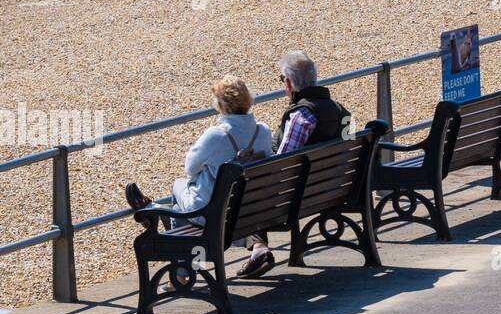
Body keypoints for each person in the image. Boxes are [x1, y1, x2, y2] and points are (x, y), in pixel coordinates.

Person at [240, 51, 352, 278]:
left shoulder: (301, 115)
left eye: (283, 80)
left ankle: (259, 248)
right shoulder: (341, 110)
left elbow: (282, 165)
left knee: (248, 188)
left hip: (297, 198)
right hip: (335, 187)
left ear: (289, 83)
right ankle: (258, 249)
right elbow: (349, 149)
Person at [124, 76, 272, 225]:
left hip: (214, 216)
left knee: (178, 185)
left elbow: (190, 168)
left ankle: (157, 215)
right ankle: (156, 211)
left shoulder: (217, 135)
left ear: (221, 105)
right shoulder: (264, 131)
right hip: (248, 211)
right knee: (181, 204)